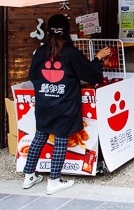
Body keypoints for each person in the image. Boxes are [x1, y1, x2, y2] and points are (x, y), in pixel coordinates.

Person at [22, 14, 111, 195]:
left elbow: (33, 76)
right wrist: (98, 58)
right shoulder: (70, 52)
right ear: (67, 32)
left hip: (44, 103)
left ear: (48, 31)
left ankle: (28, 176)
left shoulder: (40, 52)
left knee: (40, 137)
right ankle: (54, 180)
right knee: (61, 139)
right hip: (65, 104)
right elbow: (90, 74)